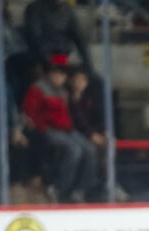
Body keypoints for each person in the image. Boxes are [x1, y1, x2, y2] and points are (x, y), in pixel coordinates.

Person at [21, 53, 97, 203]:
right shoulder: (38, 89)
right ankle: (59, 188)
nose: (60, 77)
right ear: (50, 72)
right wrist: (41, 128)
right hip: (49, 129)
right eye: (57, 73)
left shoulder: (63, 91)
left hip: (66, 130)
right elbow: (30, 113)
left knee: (89, 149)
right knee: (74, 150)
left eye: (63, 74)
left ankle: (80, 189)